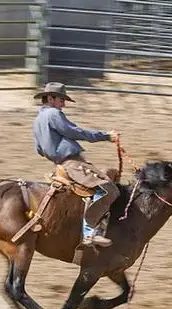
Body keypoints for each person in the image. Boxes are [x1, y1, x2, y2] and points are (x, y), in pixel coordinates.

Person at [32, 82, 120, 249]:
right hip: (72, 163)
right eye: (61, 100)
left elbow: (39, 150)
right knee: (110, 189)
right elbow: (75, 132)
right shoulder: (53, 114)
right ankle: (90, 233)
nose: (63, 104)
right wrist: (105, 136)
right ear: (50, 98)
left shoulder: (37, 121)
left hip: (59, 163)